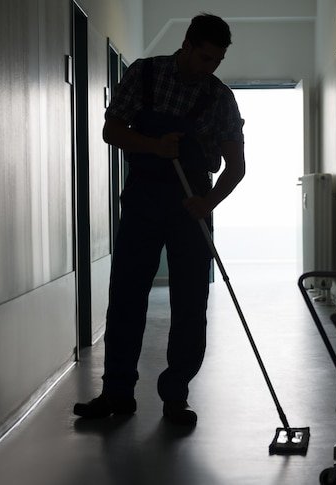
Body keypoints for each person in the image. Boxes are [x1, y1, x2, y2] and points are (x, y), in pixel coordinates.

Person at [73, 13, 245, 427]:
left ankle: (175, 397)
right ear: (186, 45)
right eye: (205, 58)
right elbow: (111, 131)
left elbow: (236, 166)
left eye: (217, 61)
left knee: (190, 304)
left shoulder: (220, 98)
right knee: (126, 298)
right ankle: (116, 394)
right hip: (143, 201)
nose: (210, 68)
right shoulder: (144, 75)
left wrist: (208, 203)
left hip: (191, 207)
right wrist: (153, 146)